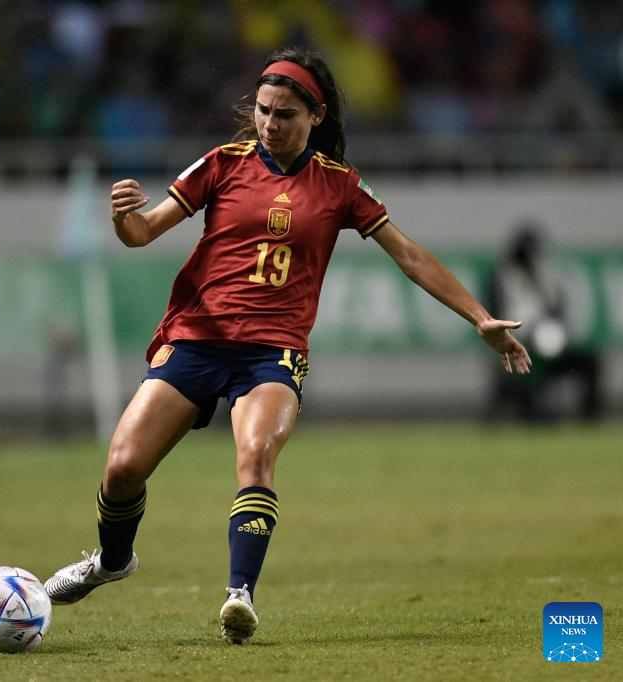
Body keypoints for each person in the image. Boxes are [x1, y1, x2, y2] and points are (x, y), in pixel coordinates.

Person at [44, 47, 532, 645]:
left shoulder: (339, 185)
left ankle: (238, 596)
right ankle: (113, 560)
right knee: (122, 468)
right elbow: (143, 231)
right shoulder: (223, 164)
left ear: (316, 117)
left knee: (256, 456)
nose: (271, 125)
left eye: (286, 115)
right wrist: (124, 219)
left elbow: (409, 255)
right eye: (265, 112)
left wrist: (479, 317)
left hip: (271, 353)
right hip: (196, 340)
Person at [487, 220, 602, 422]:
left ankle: (589, 417)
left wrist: (557, 330)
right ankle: (536, 415)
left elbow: (559, 308)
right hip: (519, 342)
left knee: (590, 362)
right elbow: (494, 317)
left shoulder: (547, 274)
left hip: (548, 341)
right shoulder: (502, 277)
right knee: (527, 374)